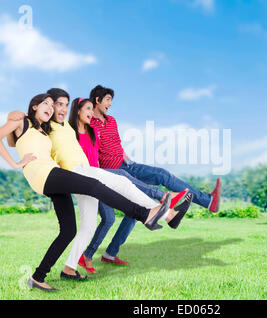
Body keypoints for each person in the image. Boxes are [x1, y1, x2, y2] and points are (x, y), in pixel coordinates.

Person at [0, 93, 190, 291]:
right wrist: (15, 160)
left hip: (53, 174)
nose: (51, 108)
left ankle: (38, 276)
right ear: (33, 106)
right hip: (46, 174)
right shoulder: (22, 121)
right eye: (47, 103)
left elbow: (16, 141)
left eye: (54, 105)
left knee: (69, 231)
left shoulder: (42, 129)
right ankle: (146, 213)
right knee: (97, 186)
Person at [66, 96, 190, 271]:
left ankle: (86, 255)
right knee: (122, 180)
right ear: (77, 111)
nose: (91, 112)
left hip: (100, 179)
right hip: (85, 177)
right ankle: (162, 197)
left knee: (109, 218)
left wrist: (121, 154)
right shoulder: (70, 134)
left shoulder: (93, 132)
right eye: (87, 108)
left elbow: (106, 151)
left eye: (92, 109)